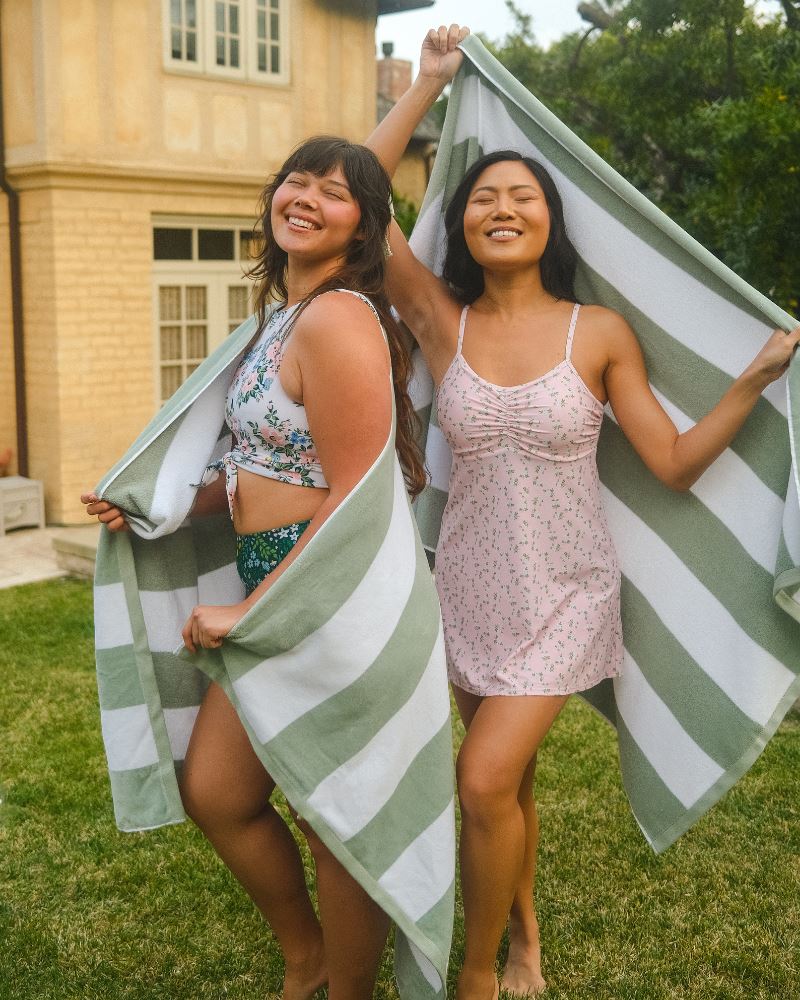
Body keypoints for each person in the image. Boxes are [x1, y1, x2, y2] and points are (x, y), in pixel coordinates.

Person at [366, 24, 800, 1000]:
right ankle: (523, 936)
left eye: (521, 197)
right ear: (465, 227)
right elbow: (361, 200)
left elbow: (672, 463)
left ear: (550, 224)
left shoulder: (597, 332)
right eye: (482, 198)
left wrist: (751, 380)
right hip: (467, 586)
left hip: (566, 593)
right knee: (504, 786)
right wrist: (429, 85)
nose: (500, 208)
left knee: (478, 783)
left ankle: (474, 974)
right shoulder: (444, 320)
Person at [82, 135, 429, 1000]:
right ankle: (308, 958)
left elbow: (356, 494)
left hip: (327, 594)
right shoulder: (282, 317)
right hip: (274, 575)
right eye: (296, 180)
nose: (305, 196)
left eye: (335, 191)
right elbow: (261, 466)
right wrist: (159, 508)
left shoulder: (341, 317)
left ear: (365, 228)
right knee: (218, 791)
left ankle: (341, 989)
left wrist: (254, 610)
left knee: (329, 816)